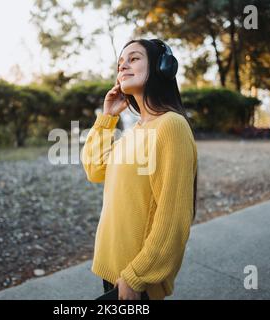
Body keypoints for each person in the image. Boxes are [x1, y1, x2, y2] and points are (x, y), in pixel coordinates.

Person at [81, 39, 198, 300]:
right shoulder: (135, 132)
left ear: (162, 67)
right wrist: (107, 117)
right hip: (111, 272)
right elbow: (94, 168)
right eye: (120, 62)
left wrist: (137, 276)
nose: (123, 66)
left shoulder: (171, 126)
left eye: (133, 59)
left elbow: (175, 217)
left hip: (136, 281)